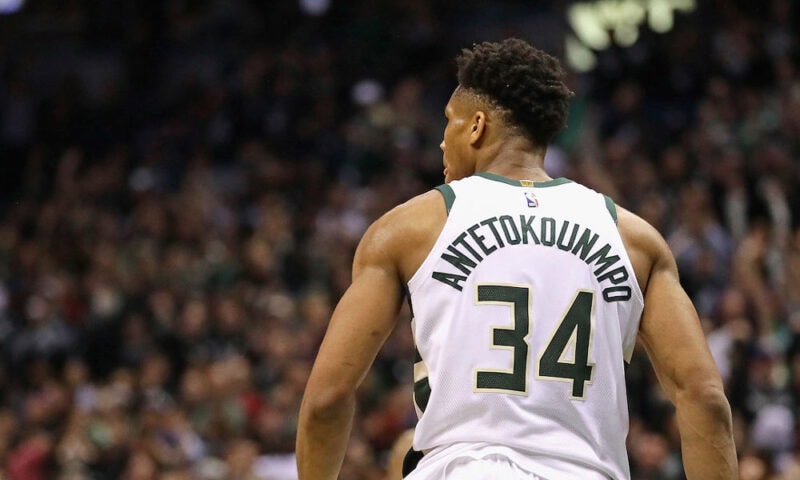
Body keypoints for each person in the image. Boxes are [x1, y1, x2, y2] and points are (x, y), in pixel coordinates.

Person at [296, 38, 737, 480]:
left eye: (449, 122)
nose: (442, 142)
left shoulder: (408, 228)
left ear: (477, 126)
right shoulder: (634, 239)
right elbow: (704, 398)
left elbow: (328, 398)